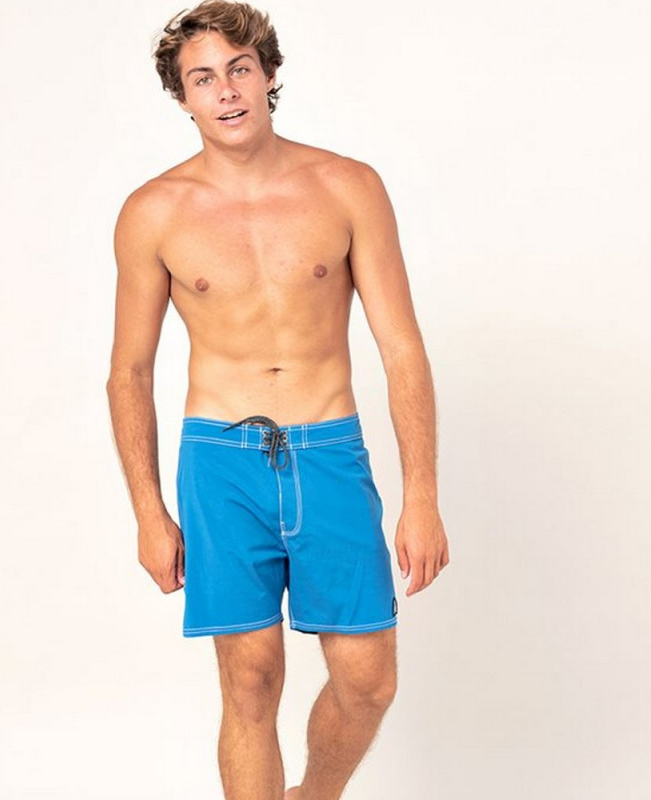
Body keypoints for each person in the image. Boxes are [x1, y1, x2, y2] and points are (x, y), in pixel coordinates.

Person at [106, 2, 450, 797]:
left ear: (267, 75)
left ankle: (313, 795)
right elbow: (129, 371)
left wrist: (423, 495)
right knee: (251, 680)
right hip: (220, 461)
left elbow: (402, 348)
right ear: (183, 97)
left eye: (239, 69)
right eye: (203, 78)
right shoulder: (153, 212)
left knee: (369, 681)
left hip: (328, 448)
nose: (225, 91)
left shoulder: (348, 186)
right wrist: (149, 512)